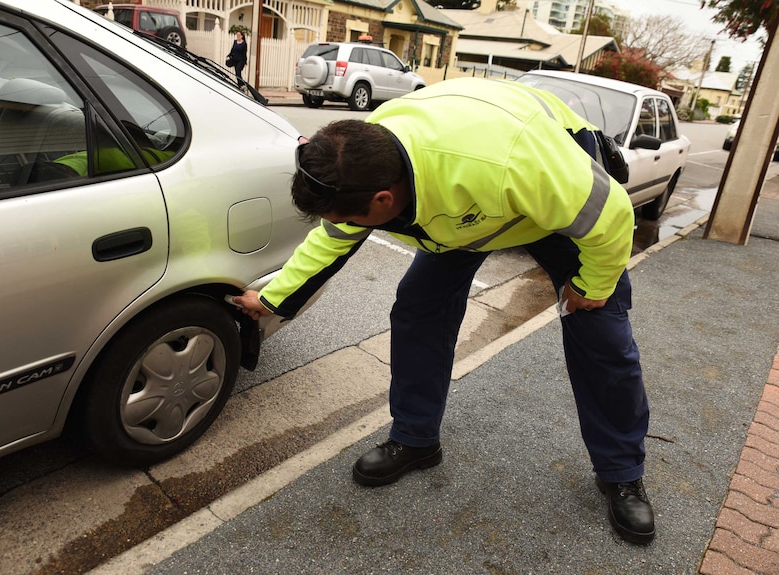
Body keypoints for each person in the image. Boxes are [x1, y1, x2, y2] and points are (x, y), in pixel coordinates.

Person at [233, 77, 655, 545]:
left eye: (350, 218)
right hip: (463, 213)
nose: (343, 227)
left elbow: (612, 216)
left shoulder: (517, 164)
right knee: (418, 308)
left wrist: (592, 286)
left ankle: (621, 471)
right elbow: (331, 239)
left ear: (383, 202)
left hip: (536, 197)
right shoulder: (360, 158)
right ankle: (415, 437)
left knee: (601, 334)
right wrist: (270, 299)